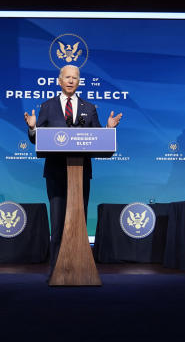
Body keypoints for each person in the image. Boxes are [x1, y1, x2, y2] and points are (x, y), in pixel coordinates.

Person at [23, 64, 122, 266]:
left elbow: (96, 138)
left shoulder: (90, 108)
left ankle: (79, 267)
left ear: (79, 82)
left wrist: (108, 130)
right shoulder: (47, 106)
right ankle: (57, 269)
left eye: (74, 78)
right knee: (58, 222)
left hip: (81, 172)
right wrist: (33, 128)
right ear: (59, 81)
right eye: (67, 77)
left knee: (79, 221)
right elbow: (37, 140)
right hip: (56, 173)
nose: (70, 81)